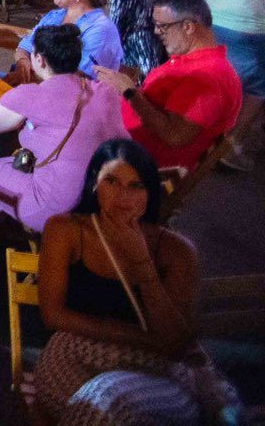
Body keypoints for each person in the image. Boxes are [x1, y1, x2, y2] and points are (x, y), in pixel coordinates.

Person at [33, 139, 236, 426]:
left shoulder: (176, 251)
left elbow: (175, 342)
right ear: (95, 183)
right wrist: (142, 338)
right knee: (97, 406)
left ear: (150, 192)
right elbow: (53, 315)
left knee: (103, 404)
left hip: (157, 371)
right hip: (74, 352)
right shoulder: (66, 229)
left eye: (135, 185)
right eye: (111, 181)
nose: (122, 196)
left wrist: (142, 262)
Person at [0, 24, 129, 272]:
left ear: (39, 59)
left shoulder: (32, 93)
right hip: (98, 202)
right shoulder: (105, 92)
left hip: (56, 206)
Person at [94, 0, 243, 173]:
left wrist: (130, 92)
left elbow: (175, 135)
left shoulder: (207, 77)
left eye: (162, 26)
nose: (156, 32)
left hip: (133, 164)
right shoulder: (195, 62)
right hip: (123, 143)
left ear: (188, 27)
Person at [11, 0, 125, 82]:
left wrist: (28, 74)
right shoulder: (54, 16)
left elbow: (77, 77)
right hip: (38, 84)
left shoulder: (101, 28)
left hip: (71, 92)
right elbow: (24, 47)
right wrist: (23, 62)